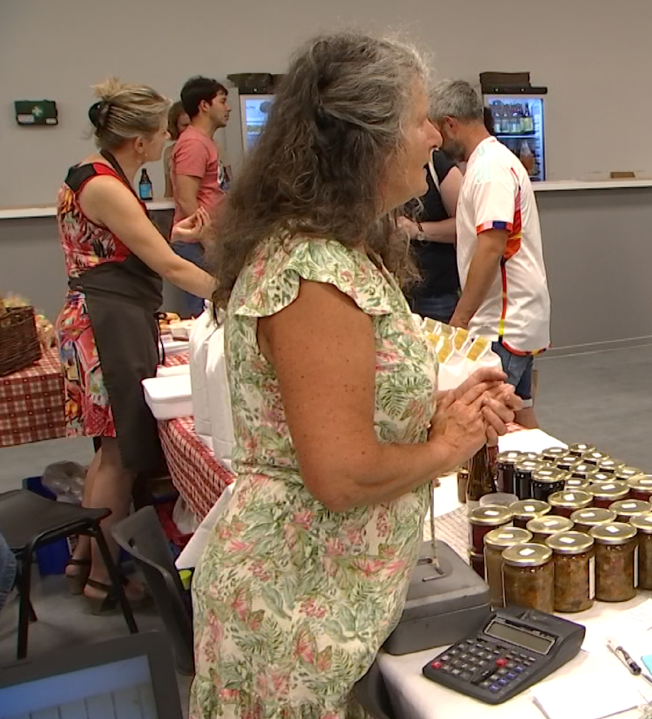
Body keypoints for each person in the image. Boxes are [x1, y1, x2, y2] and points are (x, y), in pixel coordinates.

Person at [190, 31, 519, 718]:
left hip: (314, 595)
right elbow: (340, 473)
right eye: (419, 120)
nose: (434, 135)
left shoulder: (337, 253)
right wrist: (446, 448)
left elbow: (341, 405)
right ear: (364, 139)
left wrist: (438, 407)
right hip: (292, 608)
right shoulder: (314, 272)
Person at [56, 79, 214, 612]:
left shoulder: (94, 173)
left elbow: (127, 248)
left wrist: (181, 237)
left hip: (106, 316)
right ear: (142, 140)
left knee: (108, 454)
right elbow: (165, 266)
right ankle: (104, 577)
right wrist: (235, 291)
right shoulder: (105, 185)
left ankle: (83, 559)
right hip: (108, 323)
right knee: (122, 455)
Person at [430, 80, 551, 428]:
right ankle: (544, 481)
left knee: (487, 423)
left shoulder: (488, 171)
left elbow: (492, 246)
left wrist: (460, 321)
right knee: (521, 415)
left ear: (451, 123)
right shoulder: (495, 162)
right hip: (514, 321)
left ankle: (500, 485)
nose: (436, 142)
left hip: (502, 325)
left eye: (438, 130)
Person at [170, 76, 229, 317]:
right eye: (222, 101)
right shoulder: (193, 144)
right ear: (204, 106)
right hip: (197, 243)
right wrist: (208, 240)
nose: (228, 108)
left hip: (207, 239)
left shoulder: (205, 142)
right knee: (203, 314)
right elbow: (186, 199)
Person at [396, 146, 464, 322]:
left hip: (436, 292)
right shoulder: (375, 163)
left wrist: (416, 230)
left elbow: (466, 226)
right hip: (390, 290)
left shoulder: (437, 164)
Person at [161, 101, 189, 199]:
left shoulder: (215, 148)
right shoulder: (169, 153)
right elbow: (169, 191)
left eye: (192, 125)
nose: (189, 130)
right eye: (185, 125)